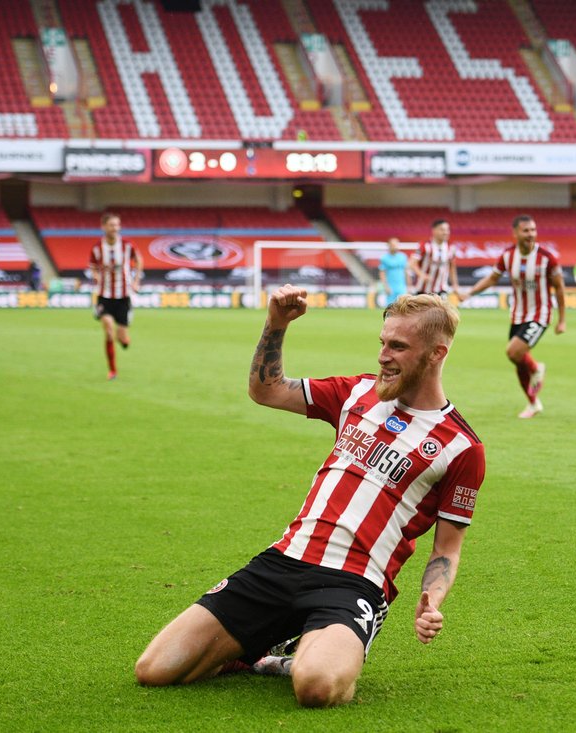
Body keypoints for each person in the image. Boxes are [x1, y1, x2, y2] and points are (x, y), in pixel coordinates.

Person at [134, 285, 485, 708]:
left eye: (398, 346)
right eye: (382, 343)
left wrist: (432, 600)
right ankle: (260, 650)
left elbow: (447, 549)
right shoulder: (355, 393)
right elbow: (268, 390)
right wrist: (276, 323)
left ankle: (304, 655)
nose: (382, 356)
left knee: (315, 687)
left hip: (354, 582)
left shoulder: (462, 447)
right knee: (154, 670)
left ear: (436, 354)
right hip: (284, 561)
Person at [460, 214, 566, 418]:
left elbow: (559, 288)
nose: (530, 234)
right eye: (526, 230)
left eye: (533, 230)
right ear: (515, 233)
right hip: (517, 315)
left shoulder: (547, 257)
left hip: (540, 314)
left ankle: (536, 368)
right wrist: (470, 292)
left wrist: (561, 320)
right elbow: (492, 278)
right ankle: (533, 403)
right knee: (518, 360)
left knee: (513, 351)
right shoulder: (508, 256)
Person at [88, 212, 143, 380]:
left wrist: (135, 280)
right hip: (105, 295)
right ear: (103, 227)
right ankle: (112, 370)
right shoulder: (97, 248)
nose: (115, 228)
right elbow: (93, 266)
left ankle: (124, 339)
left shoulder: (127, 245)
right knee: (108, 329)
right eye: (111, 225)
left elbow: (139, 260)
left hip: (123, 296)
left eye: (117, 225)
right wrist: (96, 275)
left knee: (122, 337)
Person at [410, 218, 459, 297]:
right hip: (423, 290)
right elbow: (412, 263)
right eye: (442, 230)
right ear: (434, 230)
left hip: (441, 290)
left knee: (442, 309)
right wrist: (421, 274)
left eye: (447, 230)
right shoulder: (424, 246)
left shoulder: (451, 248)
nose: (446, 232)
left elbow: (452, 268)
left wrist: (455, 286)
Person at [378, 237, 412, 305]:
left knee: (403, 306)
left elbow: (407, 272)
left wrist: (409, 286)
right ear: (389, 246)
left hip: (401, 286)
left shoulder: (403, 257)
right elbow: (382, 273)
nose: (395, 247)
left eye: (396, 245)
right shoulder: (384, 258)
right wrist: (386, 286)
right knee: (390, 307)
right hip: (391, 287)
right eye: (393, 245)